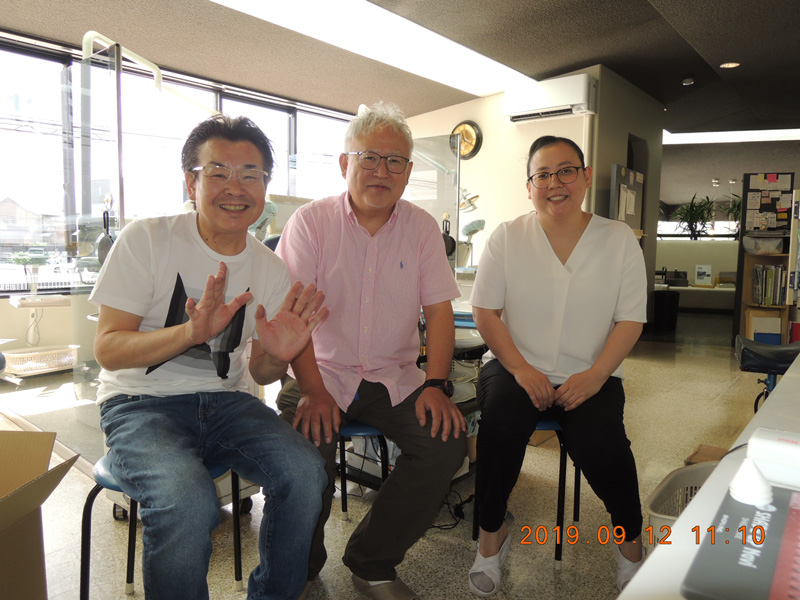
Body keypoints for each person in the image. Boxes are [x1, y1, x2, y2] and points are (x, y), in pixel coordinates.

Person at [90, 114, 329, 600]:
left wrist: (278, 357)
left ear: (265, 186)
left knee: (307, 473)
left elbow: (259, 370)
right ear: (191, 182)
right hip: (139, 405)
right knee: (187, 503)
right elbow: (108, 350)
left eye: (251, 174)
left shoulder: (269, 268)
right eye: (218, 172)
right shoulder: (147, 239)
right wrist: (189, 333)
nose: (235, 188)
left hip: (227, 404)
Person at [275, 101, 467, 600]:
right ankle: (301, 568)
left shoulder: (422, 228)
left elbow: (439, 313)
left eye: (395, 161)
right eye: (369, 158)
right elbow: (291, 319)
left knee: (445, 443)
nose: (382, 171)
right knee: (303, 457)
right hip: (318, 371)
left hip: (393, 376)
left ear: (408, 171)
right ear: (345, 163)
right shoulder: (311, 223)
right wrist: (312, 390)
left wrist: (436, 384)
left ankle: (371, 560)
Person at [467, 135, 646, 597]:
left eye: (566, 170)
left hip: (592, 370)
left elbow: (630, 318)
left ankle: (630, 543)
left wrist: (597, 375)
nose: (554, 183)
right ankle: (491, 536)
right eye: (542, 175)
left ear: (584, 177)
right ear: (529, 187)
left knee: (602, 443)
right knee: (501, 425)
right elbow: (485, 312)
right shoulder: (507, 236)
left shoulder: (618, 239)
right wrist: (522, 369)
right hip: (514, 365)